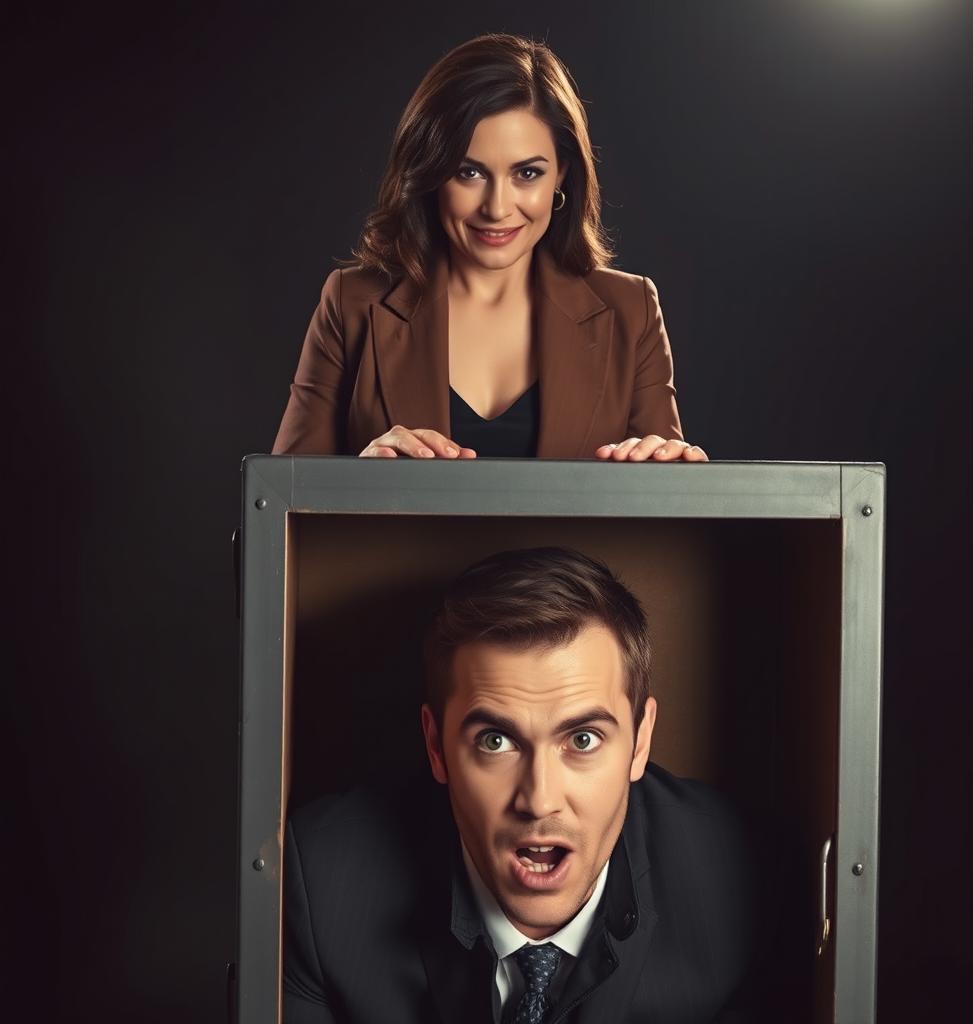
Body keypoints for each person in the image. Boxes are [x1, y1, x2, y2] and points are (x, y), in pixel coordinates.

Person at [283, 547, 754, 1023]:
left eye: (583, 739)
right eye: (496, 740)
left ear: (639, 741)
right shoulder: (322, 889)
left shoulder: (739, 881)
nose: (539, 800)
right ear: (436, 746)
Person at [272, 33, 708, 463]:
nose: (498, 208)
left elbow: (666, 519)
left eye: (528, 174)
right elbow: (278, 508)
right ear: (430, 173)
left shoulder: (633, 310)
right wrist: (356, 483)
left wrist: (678, 477)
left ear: (562, 175)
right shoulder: (351, 303)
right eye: (469, 172)